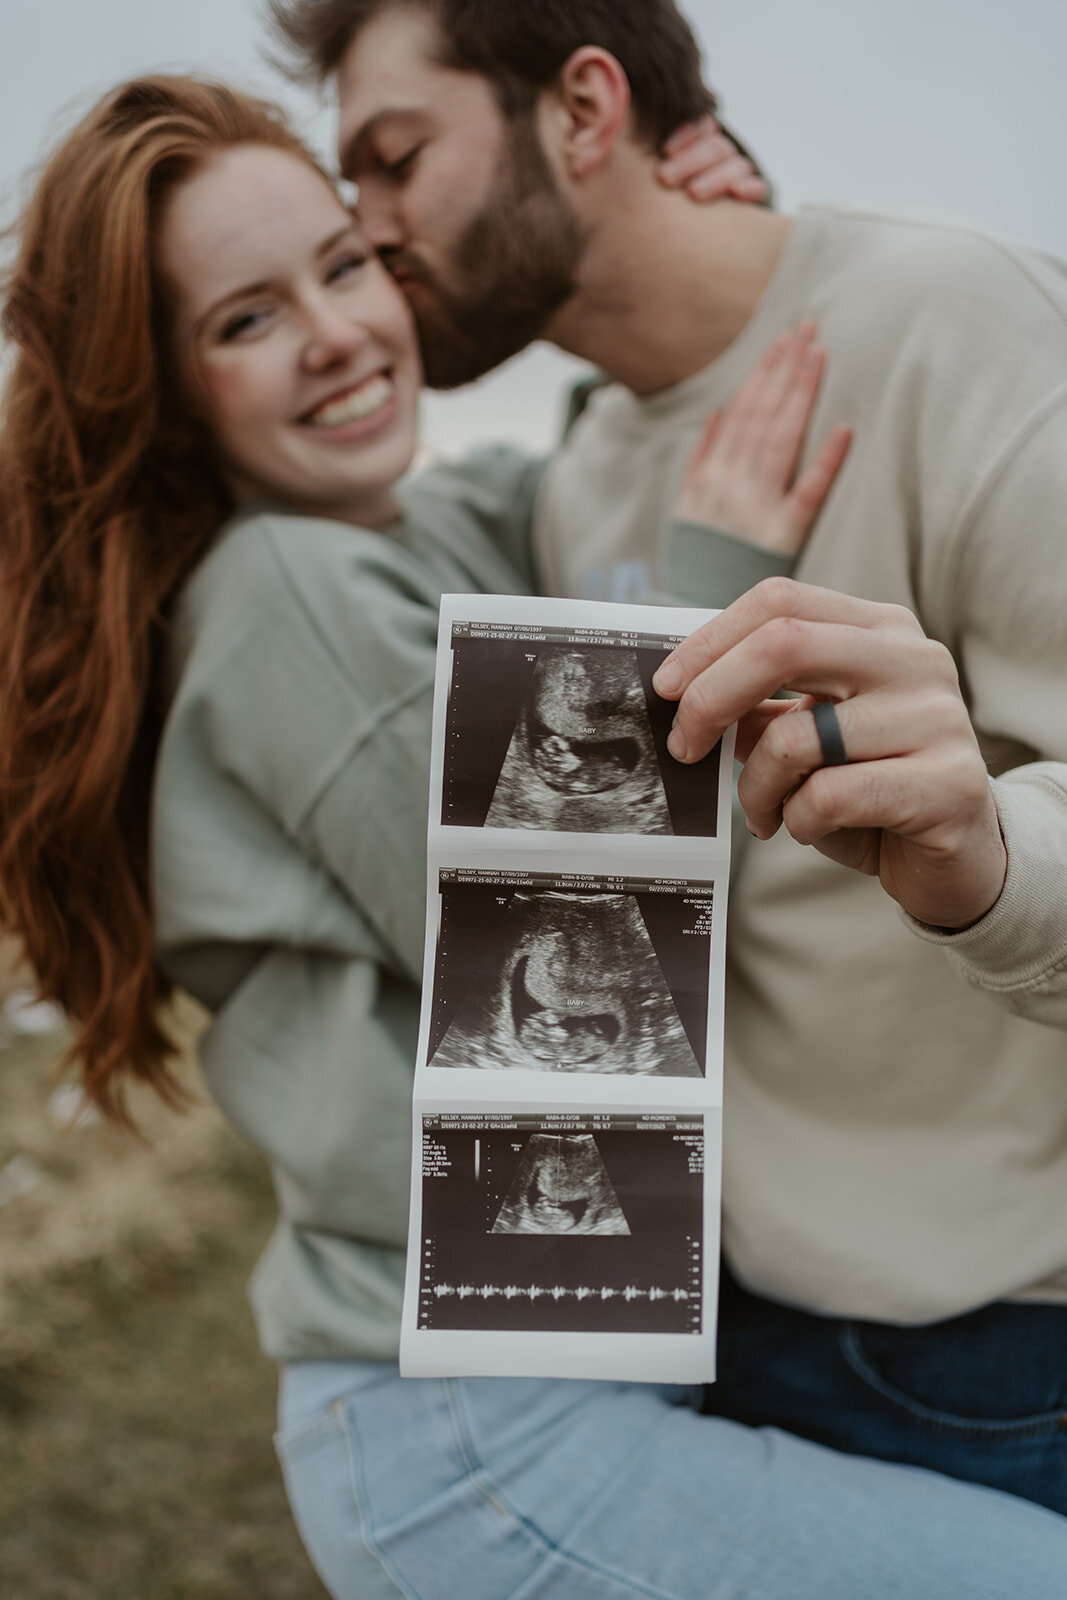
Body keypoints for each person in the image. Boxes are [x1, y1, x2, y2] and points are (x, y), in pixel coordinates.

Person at [2, 69, 1066, 1600]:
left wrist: (681, 228)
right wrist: (719, 573)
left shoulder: (422, 522)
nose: (336, 334)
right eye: (245, 321)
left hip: (559, 1373)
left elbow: (579, 483)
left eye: (344, 264)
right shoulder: (278, 591)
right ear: (164, 391)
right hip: (484, 1431)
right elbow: (580, 961)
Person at [270, 0, 1067, 1516]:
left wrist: (993, 863)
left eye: (391, 161)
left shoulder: (959, 324)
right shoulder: (580, 473)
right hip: (725, 1331)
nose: (364, 236)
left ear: (583, 110)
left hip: (1002, 1364)